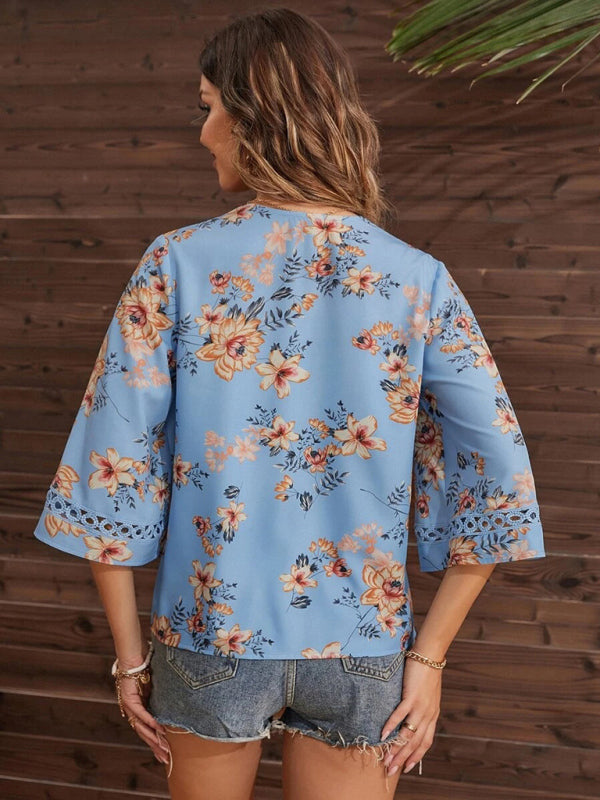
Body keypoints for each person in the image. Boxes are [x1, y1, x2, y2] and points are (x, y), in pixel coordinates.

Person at [32, 7, 547, 800]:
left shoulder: (177, 264)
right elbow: (499, 478)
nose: (203, 133)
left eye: (207, 108)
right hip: (362, 644)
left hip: (210, 632)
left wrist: (130, 659)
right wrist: (429, 658)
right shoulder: (417, 279)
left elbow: (111, 464)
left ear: (253, 116)